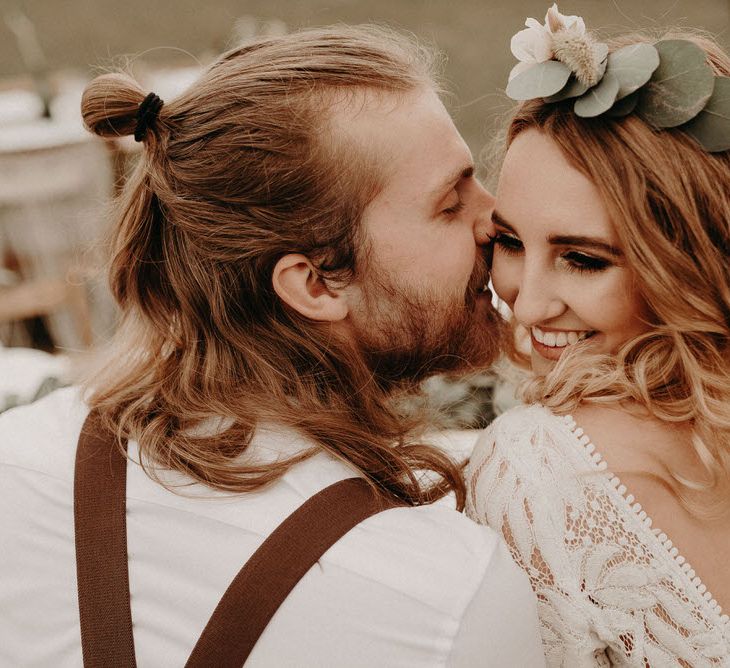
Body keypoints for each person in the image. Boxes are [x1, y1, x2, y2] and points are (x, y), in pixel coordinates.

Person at [0, 25, 545, 667]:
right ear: (314, 283)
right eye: (450, 203)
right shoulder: (446, 599)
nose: (497, 217)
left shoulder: (16, 464)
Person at [467, 5, 730, 666]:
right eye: (507, 242)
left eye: (583, 259)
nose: (525, 307)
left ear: (693, 260)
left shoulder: (534, 468)